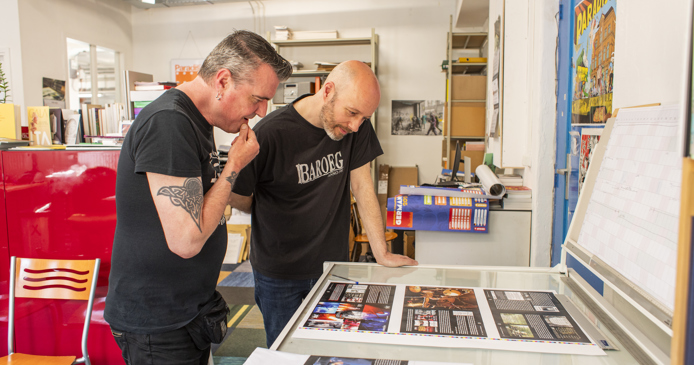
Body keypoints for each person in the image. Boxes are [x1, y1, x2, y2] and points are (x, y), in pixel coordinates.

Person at [104, 30, 292, 364]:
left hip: (184, 310)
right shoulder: (170, 123)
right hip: (158, 321)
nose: (261, 112)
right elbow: (186, 241)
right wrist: (234, 164)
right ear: (223, 81)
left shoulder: (196, 121)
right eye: (257, 98)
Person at [228, 60, 418, 347]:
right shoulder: (270, 134)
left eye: (364, 118)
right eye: (352, 113)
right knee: (288, 352)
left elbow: (362, 185)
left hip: (332, 267)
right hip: (279, 273)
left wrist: (381, 252)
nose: (355, 125)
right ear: (327, 90)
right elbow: (240, 197)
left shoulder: (356, 128)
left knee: (330, 349)